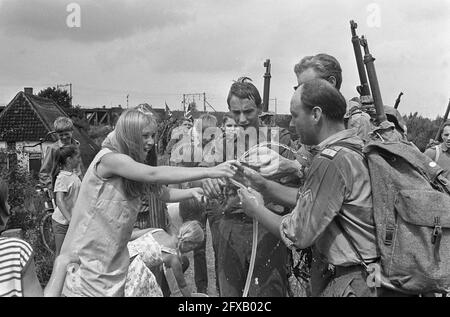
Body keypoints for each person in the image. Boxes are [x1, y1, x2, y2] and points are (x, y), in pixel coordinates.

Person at [238, 78, 407, 297]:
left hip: (356, 281)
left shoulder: (330, 160)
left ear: (316, 115)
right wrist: (265, 186)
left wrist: (255, 209)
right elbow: (318, 202)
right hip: (375, 277)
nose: (291, 123)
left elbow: (298, 234)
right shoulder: (356, 147)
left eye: (295, 115)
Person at [59, 109, 236, 297]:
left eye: (153, 135)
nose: (151, 142)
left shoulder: (130, 167)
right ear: (129, 135)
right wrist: (210, 171)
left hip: (111, 260)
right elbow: (154, 174)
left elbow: (162, 192)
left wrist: (191, 192)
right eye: (144, 136)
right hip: (86, 258)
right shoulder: (110, 159)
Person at [201, 78, 292, 297]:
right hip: (230, 229)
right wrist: (206, 179)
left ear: (260, 109)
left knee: (268, 293)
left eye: (248, 112)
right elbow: (200, 173)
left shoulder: (279, 142)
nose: (241, 119)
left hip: (267, 229)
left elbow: (300, 182)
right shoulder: (222, 144)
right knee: (231, 293)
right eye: (235, 112)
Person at [0, 179, 78, 297]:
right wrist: (61, 264)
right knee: (60, 250)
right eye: (5, 201)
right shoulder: (16, 251)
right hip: (63, 221)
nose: (9, 206)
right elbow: (59, 200)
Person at [125, 220, 204, 297]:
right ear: (189, 242)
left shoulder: (157, 231)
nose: (190, 251)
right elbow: (183, 286)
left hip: (121, 257)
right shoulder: (173, 258)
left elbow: (129, 236)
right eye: (192, 248)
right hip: (132, 271)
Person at [39, 117, 83, 195]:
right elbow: (44, 173)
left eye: (66, 134)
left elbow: (79, 167)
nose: (64, 137)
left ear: (72, 131)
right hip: (61, 189)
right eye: (61, 135)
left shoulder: (76, 145)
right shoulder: (53, 149)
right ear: (56, 134)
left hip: (76, 186)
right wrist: (52, 188)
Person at [51, 145, 82, 256]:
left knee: (72, 253)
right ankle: (56, 273)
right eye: (77, 157)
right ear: (69, 160)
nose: (79, 159)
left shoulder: (73, 175)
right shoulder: (62, 177)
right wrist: (70, 219)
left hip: (72, 221)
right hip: (62, 222)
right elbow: (60, 201)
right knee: (61, 254)